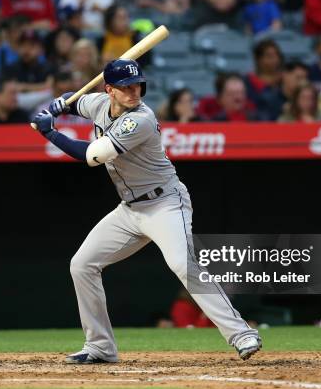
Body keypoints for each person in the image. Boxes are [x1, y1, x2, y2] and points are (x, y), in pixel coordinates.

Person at [31, 59, 262, 363]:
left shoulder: (140, 118)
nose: (134, 91)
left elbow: (92, 155)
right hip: (129, 209)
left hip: (165, 203)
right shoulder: (98, 102)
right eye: (126, 86)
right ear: (109, 89)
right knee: (82, 264)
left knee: (183, 263)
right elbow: (78, 102)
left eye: (138, 84)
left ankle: (241, 333)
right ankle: (100, 347)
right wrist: (61, 104)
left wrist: (50, 131)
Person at [0, 15, 29, 82]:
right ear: (7, 33)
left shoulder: (35, 53)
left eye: (25, 31)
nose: (22, 34)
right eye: (17, 30)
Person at [245, 39, 284, 103]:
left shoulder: (284, 80)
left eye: (276, 55)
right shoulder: (248, 81)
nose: (274, 60)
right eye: (269, 56)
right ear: (258, 59)